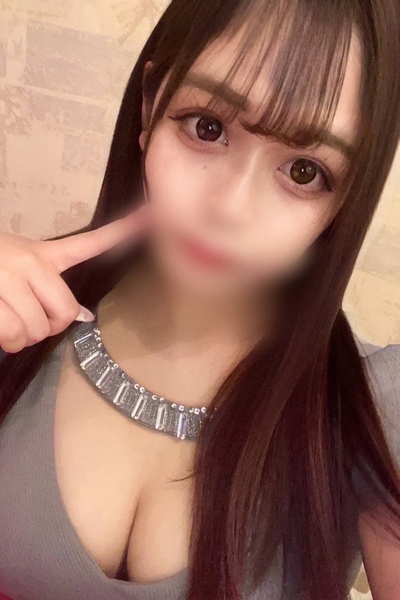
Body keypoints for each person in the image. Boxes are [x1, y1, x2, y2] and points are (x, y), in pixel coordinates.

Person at [0, 1, 399, 599]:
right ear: (150, 107)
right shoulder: (19, 322)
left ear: (346, 201)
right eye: (207, 127)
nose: (229, 209)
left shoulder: (375, 406)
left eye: (304, 171)